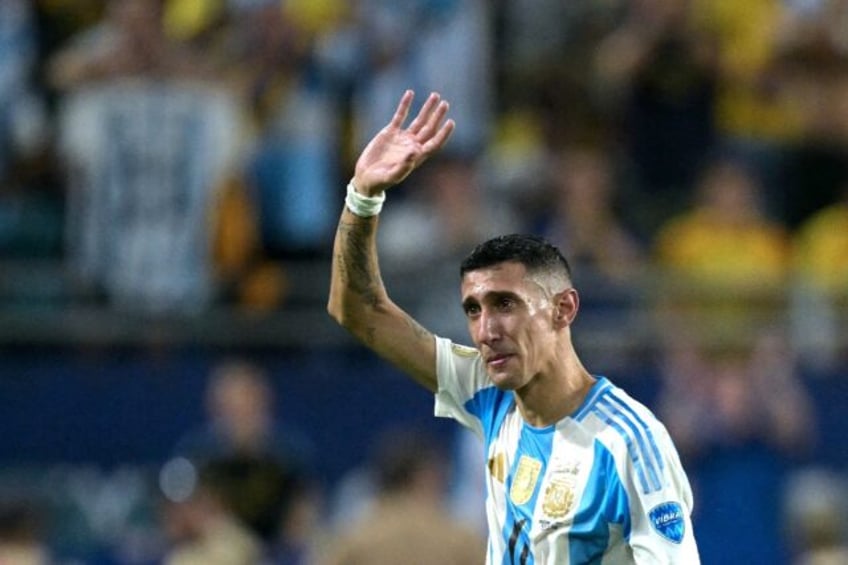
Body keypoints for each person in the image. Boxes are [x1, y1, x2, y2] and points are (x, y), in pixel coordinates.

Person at [327, 90, 700, 563]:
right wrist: (362, 196)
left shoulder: (629, 441)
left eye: (505, 305)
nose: (486, 330)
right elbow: (356, 311)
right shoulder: (491, 397)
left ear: (563, 309)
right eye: (474, 310)